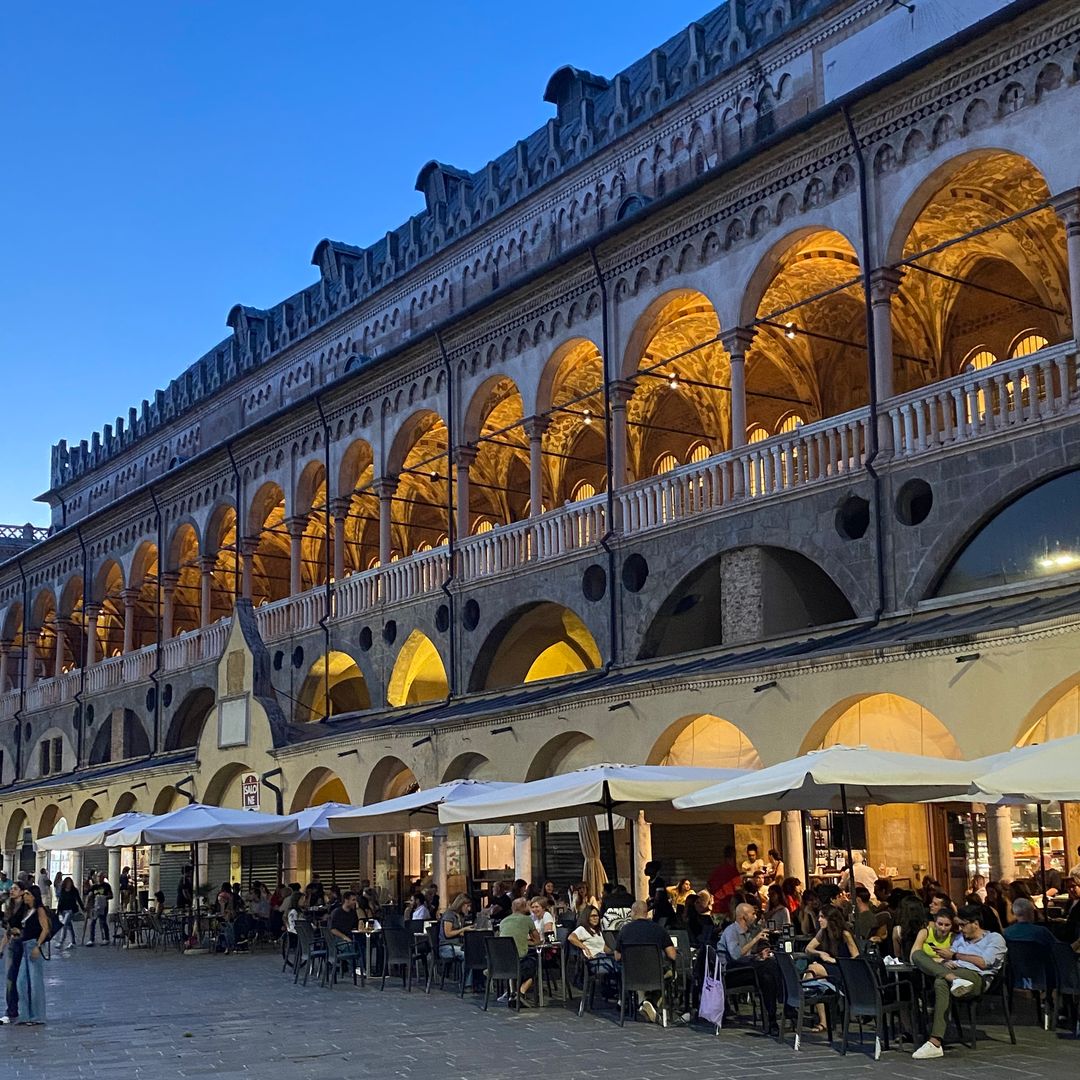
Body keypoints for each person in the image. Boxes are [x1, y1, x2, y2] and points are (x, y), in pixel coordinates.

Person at [911, 903, 1007, 1060]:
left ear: (975, 923)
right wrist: (944, 962)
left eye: (963, 925)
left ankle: (934, 1042)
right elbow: (950, 956)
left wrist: (955, 956)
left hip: (976, 977)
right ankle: (954, 980)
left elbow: (984, 962)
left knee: (940, 981)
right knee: (917, 956)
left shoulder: (994, 938)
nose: (960, 929)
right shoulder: (960, 939)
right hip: (954, 971)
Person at [718, 902, 781, 1034]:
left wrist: (759, 955)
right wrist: (756, 939)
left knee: (767, 976)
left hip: (746, 970)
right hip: (729, 974)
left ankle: (772, 1019)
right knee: (769, 966)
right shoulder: (731, 931)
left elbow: (747, 957)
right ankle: (785, 1001)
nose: (755, 916)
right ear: (743, 916)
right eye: (753, 913)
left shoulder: (748, 931)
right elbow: (735, 956)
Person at [615, 900, 678, 1023]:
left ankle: (645, 1003)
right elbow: (672, 955)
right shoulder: (658, 929)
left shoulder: (625, 930)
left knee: (645, 978)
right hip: (655, 974)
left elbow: (617, 956)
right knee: (671, 974)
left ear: (633, 912)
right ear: (646, 912)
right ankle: (650, 1002)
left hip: (631, 976)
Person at [14, 885, 50, 1026]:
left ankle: (37, 1016)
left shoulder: (39, 910)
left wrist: (38, 945)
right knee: (21, 982)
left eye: (28, 894)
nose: (25, 896)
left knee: (35, 983)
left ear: (34, 896)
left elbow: (45, 929)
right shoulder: (25, 911)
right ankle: (24, 1015)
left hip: (33, 946)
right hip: (24, 946)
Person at [497, 897, 539, 1008]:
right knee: (533, 964)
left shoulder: (503, 921)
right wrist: (525, 942)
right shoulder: (527, 920)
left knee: (515, 964)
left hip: (501, 963)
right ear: (525, 907)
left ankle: (512, 993)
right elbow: (537, 940)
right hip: (519, 960)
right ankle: (520, 992)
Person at [805, 906, 859, 981]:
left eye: (822, 917)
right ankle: (806, 989)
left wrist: (834, 960)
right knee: (812, 968)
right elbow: (808, 949)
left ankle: (802, 990)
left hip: (844, 968)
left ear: (831, 919)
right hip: (831, 965)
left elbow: (856, 958)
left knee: (813, 968)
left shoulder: (845, 934)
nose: (819, 919)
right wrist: (820, 953)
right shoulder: (823, 931)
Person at [1, 882, 26, 1025]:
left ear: (22, 892)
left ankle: (18, 1009)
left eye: (15, 889)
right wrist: (1, 948)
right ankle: (11, 1009)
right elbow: (8, 931)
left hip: (22, 946)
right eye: (11, 889)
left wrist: (20, 932)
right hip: (12, 945)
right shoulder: (10, 907)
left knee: (18, 979)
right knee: (10, 979)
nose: (12, 891)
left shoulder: (25, 908)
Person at [567, 904, 615, 974]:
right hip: (594, 960)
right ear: (587, 917)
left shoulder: (597, 931)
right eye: (593, 916)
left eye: (597, 916)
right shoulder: (582, 929)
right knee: (613, 970)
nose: (596, 918)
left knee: (620, 967)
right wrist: (585, 948)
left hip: (603, 957)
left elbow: (603, 948)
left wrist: (615, 952)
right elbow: (571, 937)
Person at [439, 893, 472, 965]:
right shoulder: (449, 915)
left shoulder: (460, 916)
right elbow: (448, 934)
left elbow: (457, 933)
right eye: (468, 906)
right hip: (447, 947)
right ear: (461, 905)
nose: (469, 909)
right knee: (468, 956)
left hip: (458, 945)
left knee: (474, 954)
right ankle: (466, 976)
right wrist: (463, 929)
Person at [55, 876, 83, 949]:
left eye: (70, 883)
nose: (69, 884)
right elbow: (60, 901)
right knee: (69, 926)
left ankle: (61, 941)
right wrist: (58, 911)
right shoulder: (62, 890)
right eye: (67, 883)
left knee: (64, 925)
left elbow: (79, 900)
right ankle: (73, 941)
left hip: (71, 910)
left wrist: (83, 908)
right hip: (64, 910)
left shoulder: (74, 890)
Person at [85, 871, 112, 945]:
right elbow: (89, 894)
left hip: (103, 906)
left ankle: (106, 938)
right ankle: (91, 939)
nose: (99, 878)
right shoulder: (94, 887)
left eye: (101, 876)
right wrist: (87, 903)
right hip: (95, 906)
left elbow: (111, 895)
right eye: (98, 876)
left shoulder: (106, 886)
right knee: (92, 922)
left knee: (103, 922)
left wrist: (104, 897)